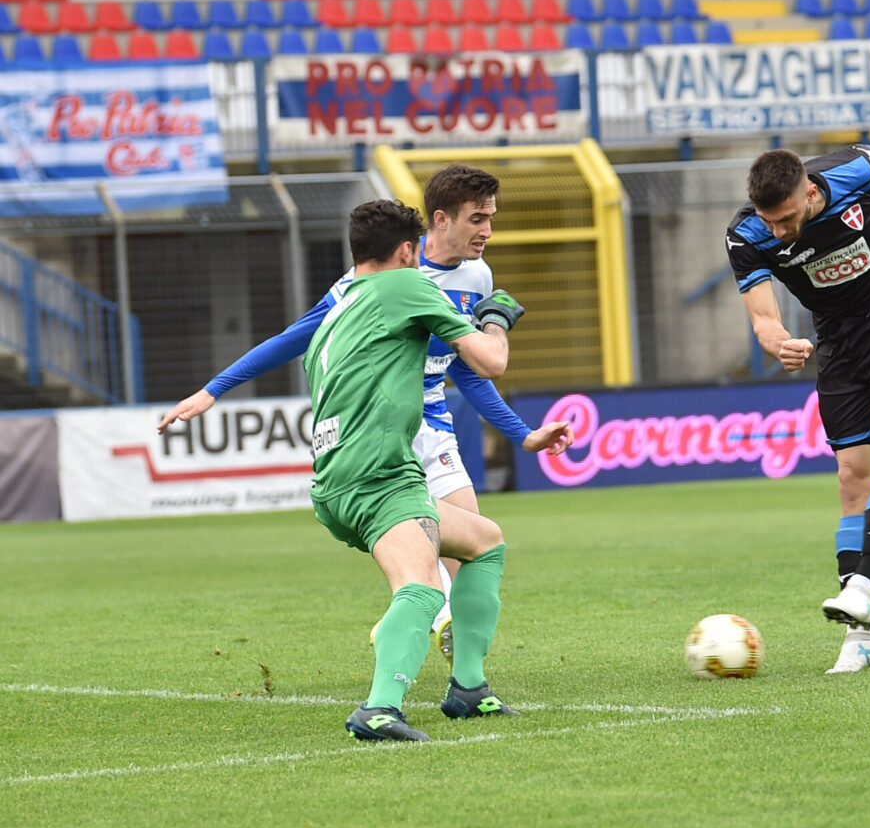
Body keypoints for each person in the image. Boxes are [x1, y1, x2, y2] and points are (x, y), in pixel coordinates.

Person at [157, 165, 572, 667]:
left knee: (472, 549)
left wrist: (522, 434)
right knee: (421, 554)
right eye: (477, 219)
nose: (487, 231)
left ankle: (458, 671)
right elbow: (297, 336)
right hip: (385, 426)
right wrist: (214, 390)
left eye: (491, 218)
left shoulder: (477, 276)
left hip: (435, 427)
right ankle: (419, 628)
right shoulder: (381, 274)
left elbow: (467, 368)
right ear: (441, 220)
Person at [725, 146, 870, 675]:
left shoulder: (851, 169)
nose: (779, 231)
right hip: (837, 342)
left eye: (787, 218)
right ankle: (865, 637)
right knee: (853, 478)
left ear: (810, 192)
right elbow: (763, 319)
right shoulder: (747, 235)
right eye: (769, 221)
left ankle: (863, 587)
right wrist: (779, 343)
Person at [304, 199, 529, 741]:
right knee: (424, 587)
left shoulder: (337, 309)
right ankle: (379, 709)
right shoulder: (407, 285)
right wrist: (495, 320)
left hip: (337, 477)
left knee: (484, 541)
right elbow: (491, 362)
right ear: (408, 250)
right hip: (377, 476)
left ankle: (467, 689)